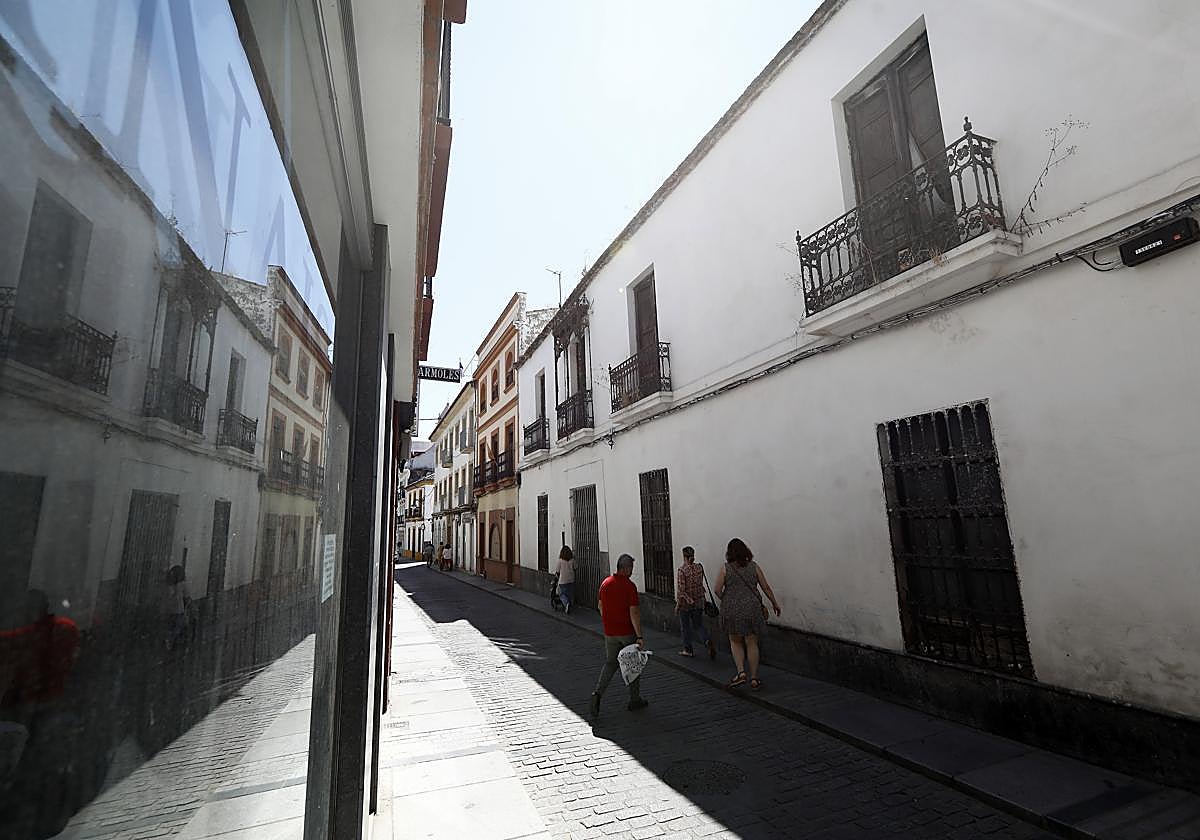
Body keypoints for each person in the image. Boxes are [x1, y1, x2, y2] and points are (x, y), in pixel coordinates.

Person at [713, 538, 780, 691]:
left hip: (732, 610)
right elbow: (766, 587)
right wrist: (775, 603)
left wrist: (727, 599)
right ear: (745, 551)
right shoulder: (754, 567)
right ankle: (754, 678)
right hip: (752, 609)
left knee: (735, 641)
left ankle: (741, 672)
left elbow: (717, 589)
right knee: (752, 642)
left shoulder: (725, 568)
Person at [588, 554, 648, 719]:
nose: (632, 571)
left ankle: (597, 693)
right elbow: (634, 612)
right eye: (631, 568)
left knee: (610, 663)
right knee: (633, 665)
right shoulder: (629, 586)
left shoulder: (605, 583)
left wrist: (608, 622)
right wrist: (639, 636)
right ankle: (634, 700)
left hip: (610, 633)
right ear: (626, 568)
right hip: (627, 633)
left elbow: (600, 606)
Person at [675, 546, 716, 659]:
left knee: (685, 627)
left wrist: (679, 604)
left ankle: (688, 650)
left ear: (684, 556)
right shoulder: (699, 567)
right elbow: (700, 584)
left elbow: (681, 591)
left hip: (686, 604)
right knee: (698, 625)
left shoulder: (682, 570)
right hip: (699, 601)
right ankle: (707, 640)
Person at [164, 565, 191, 651]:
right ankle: (174, 640)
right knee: (180, 625)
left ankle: (169, 638)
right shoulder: (183, 585)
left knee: (171, 625)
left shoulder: (169, 585)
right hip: (179, 610)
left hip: (168, 610)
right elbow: (187, 597)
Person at [554, 546, 576, 614]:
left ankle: (566, 604)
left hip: (563, 580)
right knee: (569, 594)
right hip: (571, 579)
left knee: (562, 594)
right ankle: (569, 604)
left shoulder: (560, 560)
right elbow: (575, 568)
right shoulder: (572, 560)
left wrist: (556, 578)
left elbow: (557, 571)